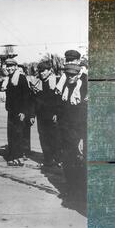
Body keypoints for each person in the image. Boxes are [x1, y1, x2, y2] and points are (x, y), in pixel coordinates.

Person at [58, 53, 87, 204]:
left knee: (79, 164)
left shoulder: (85, 84)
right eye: (67, 74)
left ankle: (79, 193)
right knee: (67, 162)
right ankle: (70, 189)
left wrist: (82, 137)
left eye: (73, 75)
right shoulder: (64, 85)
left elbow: (86, 114)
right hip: (65, 131)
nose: (70, 77)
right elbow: (61, 107)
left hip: (78, 132)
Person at [0, 58, 33, 166]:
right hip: (11, 111)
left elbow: (26, 96)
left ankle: (18, 157)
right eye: (8, 66)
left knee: (18, 134)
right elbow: (0, 87)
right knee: (11, 135)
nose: (10, 68)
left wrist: (23, 111)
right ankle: (12, 156)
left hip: (19, 112)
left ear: (16, 67)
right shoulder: (8, 79)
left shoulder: (21, 78)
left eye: (12, 66)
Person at [32, 60, 62, 169]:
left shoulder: (56, 82)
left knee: (55, 137)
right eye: (40, 71)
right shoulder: (37, 83)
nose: (42, 73)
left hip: (53, 116)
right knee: (43, 138)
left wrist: (56, 113)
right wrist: (33, 114)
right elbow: (34, 101)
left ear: (50, 71)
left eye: (44, 71)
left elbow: (59, 100)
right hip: (41, 115)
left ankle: (59, 159)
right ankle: (48, 159)